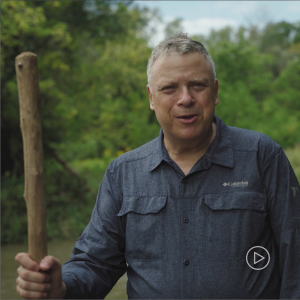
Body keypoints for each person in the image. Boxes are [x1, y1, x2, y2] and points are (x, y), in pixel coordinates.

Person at [15, 33, 300, 299]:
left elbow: (294, 255)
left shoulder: (262, 156)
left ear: (214, 92)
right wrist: (61, 285)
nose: (185, 98)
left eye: (197, 85)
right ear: (152, 98)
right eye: (169, 88)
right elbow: (95, 263)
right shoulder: (123, 173)